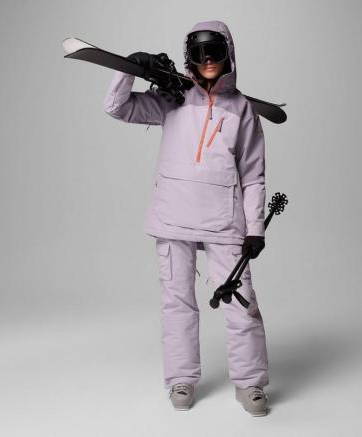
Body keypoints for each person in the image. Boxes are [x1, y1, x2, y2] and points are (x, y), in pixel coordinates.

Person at [103, 20, 269, 416]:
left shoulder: (243, 111)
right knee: (177, 303)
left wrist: (255, 228)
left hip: (224, 221)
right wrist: (130, 68)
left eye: (215, 52)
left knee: (241, 303)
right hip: (173, 216)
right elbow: (117, 107)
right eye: (199, 53)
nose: (208, 60)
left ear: (229, 55)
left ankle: (250, 382)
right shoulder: (171, 100)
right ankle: (181, 377)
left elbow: (253, 175)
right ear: (189, 58)